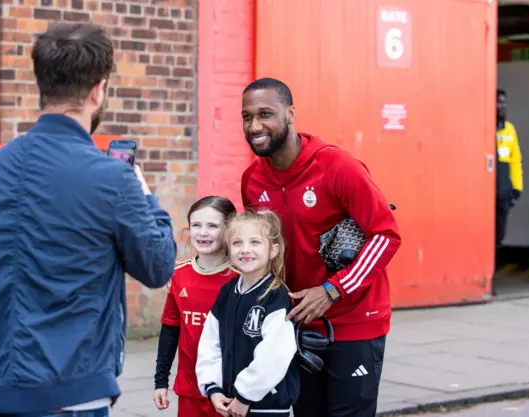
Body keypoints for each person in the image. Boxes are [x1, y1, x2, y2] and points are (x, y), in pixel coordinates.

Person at [0, 22, 177, 415]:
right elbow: (158, 266)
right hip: (71, 393)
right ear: (98, 89)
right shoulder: (113, 178)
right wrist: (144, 194)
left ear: (41, 85)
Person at [239, 77, 401, 417]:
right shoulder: (252, 180)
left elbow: (386, 235)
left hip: (354, 322)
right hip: (296, 326)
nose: (255, 126)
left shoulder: (337, 166)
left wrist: (332, 290)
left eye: (265, 114)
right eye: (247, 116)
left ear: (291, 113)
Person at [195, 210, 300, 417]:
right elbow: (210, 343)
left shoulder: (276, 295)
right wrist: (213, 387)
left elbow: (275, 354)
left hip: (267, 407)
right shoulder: (227, 292)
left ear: (273, 250)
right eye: (237, 243)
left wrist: (245, 395)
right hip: (230, 403)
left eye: (255, 242)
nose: (245, 250)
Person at [153, 196, 240, 416]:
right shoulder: (179, 275)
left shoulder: (242, 278)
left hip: (232, 392)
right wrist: (160, 381)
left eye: (212, 226)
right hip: (191, 388)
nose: (202, 233)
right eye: (196, 225)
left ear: (229, 229)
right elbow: (170, 331)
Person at [495, 88, 524, 247]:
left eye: (504, 103)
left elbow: (515, 160)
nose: (502, 106)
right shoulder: (483, 129)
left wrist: (517, 188)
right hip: (485, 196)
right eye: (498, 102)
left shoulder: (509, 130)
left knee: (499, 236)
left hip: (503, 194)